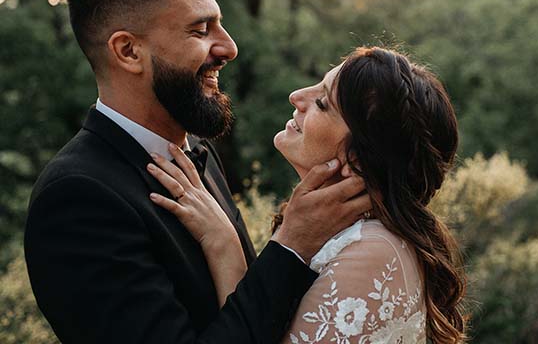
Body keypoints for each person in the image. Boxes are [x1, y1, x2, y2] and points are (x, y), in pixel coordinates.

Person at [23, 0, 371, 343]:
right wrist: (292, 244)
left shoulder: (197, 152)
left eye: (219, 25)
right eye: (200, 30)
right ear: (129, 51)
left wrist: (229, 247)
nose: (229, 48)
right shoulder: (77, 199)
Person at [149, 47, 468, 343]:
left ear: (357, 159)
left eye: (322, 103)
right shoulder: (344, 237)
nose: (297, 96)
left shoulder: (373, 250)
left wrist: (225, 247)